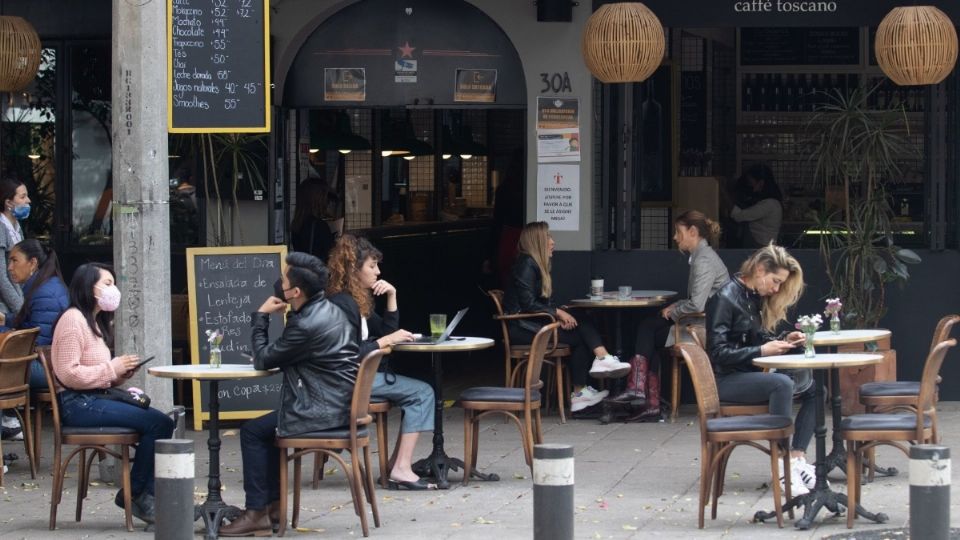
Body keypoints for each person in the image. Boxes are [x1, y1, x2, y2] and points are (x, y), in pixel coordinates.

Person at [219, 252, 360, 537]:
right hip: (338, 406)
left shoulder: (306, 323)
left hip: (320, 411)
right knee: (264, 430)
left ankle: (257, 512)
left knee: (252, 431)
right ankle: (271, 507)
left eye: (283, 279)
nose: (278, 283)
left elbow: (263, 360)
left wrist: (260, 317)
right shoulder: (331, 310)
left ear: (295, 292)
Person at [50, 263, 175, 523]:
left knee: (161, 421)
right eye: (107, 283)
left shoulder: (93, 321)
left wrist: (118, 373)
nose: (113, 289)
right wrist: (111, 367)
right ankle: (140, 496)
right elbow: (68, 373)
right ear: (88, 286)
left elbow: (94, 370)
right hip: (78, 404)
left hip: (95, 396)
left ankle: (142, 493)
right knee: (158, 423)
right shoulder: (72, 320)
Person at [704, 243, 818, 495]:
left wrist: (785, 340)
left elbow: (756, 340)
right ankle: (782, 467)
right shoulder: (725, 298)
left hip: (746, 374)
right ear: (759, 269)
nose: (776, 289)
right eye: (775, 281)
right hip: (725, 380)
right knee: (782, 384)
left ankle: (797, 459)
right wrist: (762, 351)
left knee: (815, 390)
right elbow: (718, 353)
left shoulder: (751, 297)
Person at [326, 234, 437, 490]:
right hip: (350, 380)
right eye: (372, 266)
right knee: (423, 392)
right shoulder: (342, 305)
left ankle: (397, 465)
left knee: (422, 390)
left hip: (362, 376)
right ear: (354, 270)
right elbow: (349, 352)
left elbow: (385, 329)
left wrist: (392, 296)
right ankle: (400, 468)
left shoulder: (357, 300)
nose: (378, 271)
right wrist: (384, 341)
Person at [610, 211, 730, 420]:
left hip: (700, 328)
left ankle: (641, 392)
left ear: (692, 232)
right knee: (649, 331)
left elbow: (697, 304)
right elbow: (700, 298)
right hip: (701, 322)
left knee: (647, 329)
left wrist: (674, 310)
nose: (675, 237)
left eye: (678, 232)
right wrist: (676, 305)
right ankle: (648, 400)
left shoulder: (703, 261)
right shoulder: (702, 257)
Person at [502, 221, 630, 413]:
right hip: (521, 329)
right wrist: (558, 313)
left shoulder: (534, 264)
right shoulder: (526, 263)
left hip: (532, 324)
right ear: (538, 241)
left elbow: (538, 303)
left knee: (579, 318)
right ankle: (597, 365)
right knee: (580, 333)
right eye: (549, 238)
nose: (553, 242)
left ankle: (587, 382)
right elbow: (527, 304)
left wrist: (560, 312)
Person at [1, 239, 69, 389]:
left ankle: (6, 411)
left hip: (49, 368)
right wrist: (6, 320)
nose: (10, 268)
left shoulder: (45, 293)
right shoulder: (45, 285)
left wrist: (7, 335)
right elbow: (34, 322)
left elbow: (38, 343)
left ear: (32, 263)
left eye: (14, 261)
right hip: (48, 362)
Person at [0, 178, 28, 438]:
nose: (27, 201)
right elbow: (1, 275)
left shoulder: (16, 225)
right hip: (4, 307)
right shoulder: (0, 226)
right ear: (8, 202)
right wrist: (21, 307)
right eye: (22, 197)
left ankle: (9, 417)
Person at [729, 163, 783, 247]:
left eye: (751, 182)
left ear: (761, 183)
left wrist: (723, 195)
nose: (751, 187)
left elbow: (739, 216)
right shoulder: (770, 203)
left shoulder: (769, 204)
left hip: (762, 248)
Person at [290, 176, 338, 262]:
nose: (328, 202)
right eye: (325, 197)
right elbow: (331, 254)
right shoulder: (320, 226)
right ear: (318, 199)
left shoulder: (297, 224)